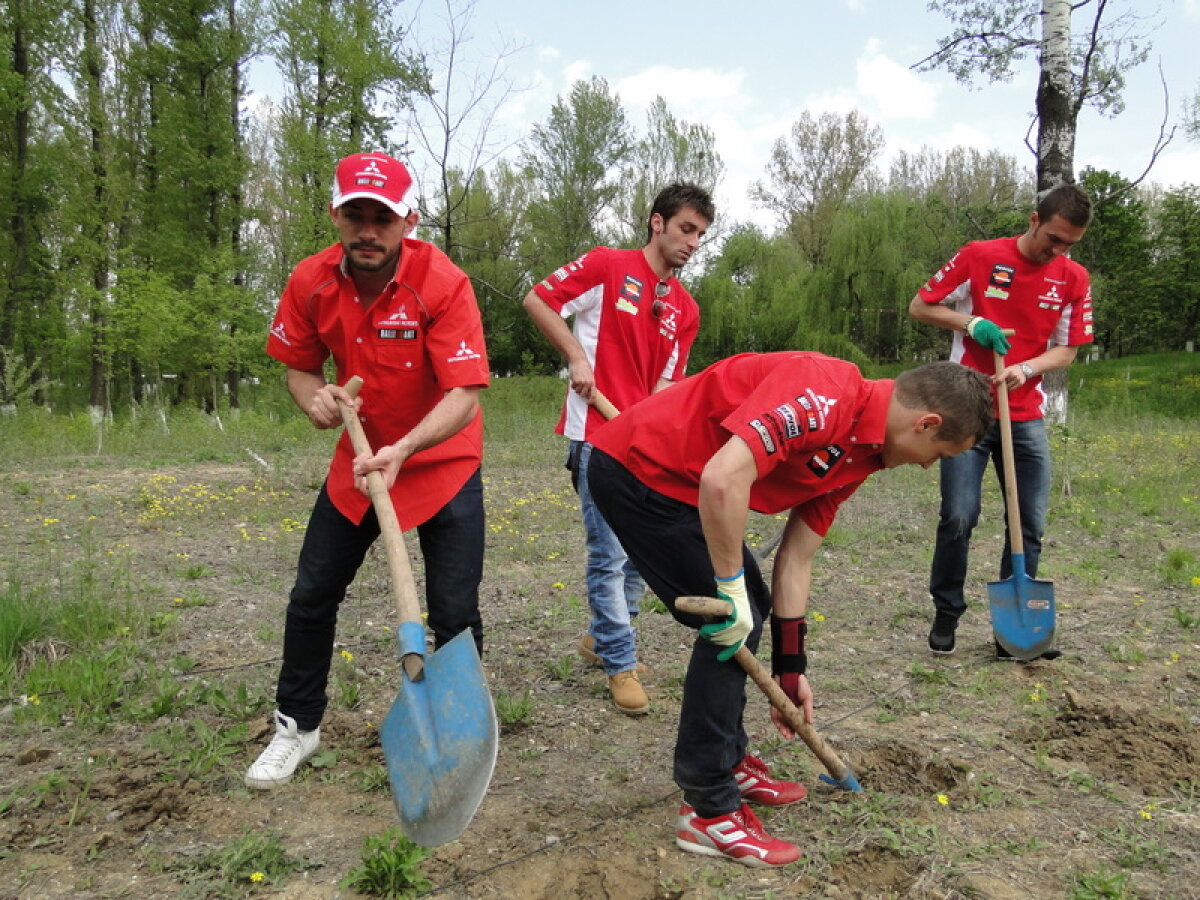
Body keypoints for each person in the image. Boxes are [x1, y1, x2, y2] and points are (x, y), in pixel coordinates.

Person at [586, 351, 994, 866]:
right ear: (926, 422)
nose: (928, 466)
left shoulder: (863, 456)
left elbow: (795, 559)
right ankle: (708, 810)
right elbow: (722, 478)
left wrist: (790, 669)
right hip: (641, 469)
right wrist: (731, 590)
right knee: (729, 621)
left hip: (688, 486)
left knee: (745, 614)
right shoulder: (823, 392)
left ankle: (728, 761)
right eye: (938, 453)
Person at [246, 152, 491, 789]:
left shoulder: (442, 282)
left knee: (454, 611)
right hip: (358, 465)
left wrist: (407, 446)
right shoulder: (310, 280)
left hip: (441, 460)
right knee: (311, 596)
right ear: (335, 215)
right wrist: (314, 399)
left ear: (407, 220)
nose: (368, 231)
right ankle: (297, 728)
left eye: (382, 217)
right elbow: (298, 366)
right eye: (356, 215)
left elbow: (465, 394)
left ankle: (459, 737)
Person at [522, 183, 715, 716]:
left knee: (638, 558)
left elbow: (666, 385)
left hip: (642, 446)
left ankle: (604, 639)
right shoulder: (608, 266)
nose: (693, 243)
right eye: (686, 229)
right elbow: (539, 299)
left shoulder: (684, 308)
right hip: (595, 439)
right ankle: (620, 662)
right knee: (608, 556)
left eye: (700, 234)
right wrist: (576, 360)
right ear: (658, 223)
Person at [909, 182, 1094, 660]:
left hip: (1025, 414)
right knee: (958, 516)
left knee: (1027, 523)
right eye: (1053, 237)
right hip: (968, 408)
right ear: (1034, 220)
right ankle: (947, 613)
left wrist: (1027, 368)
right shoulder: (979, 255)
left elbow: (1068, 349)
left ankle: (1014, 630)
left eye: (1069, 244)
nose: (1058, 250)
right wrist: (971, 324)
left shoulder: (1073, 278)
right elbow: (921, 305)